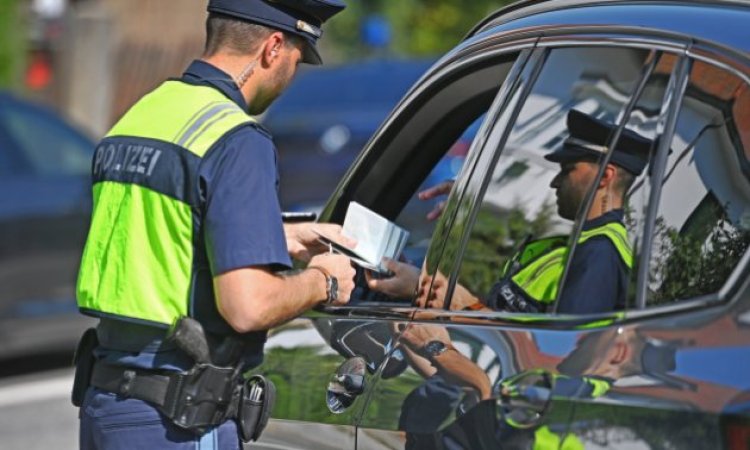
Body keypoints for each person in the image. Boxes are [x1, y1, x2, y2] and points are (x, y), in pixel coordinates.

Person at [73, 1, 355, 449]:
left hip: (108, 405)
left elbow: (152, 234)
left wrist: (274, 238)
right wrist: (325, 282)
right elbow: (248, 306)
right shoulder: (236, 139)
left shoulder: (142, 116)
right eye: (297, 61)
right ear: (273, 47)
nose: (289, 78)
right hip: (176, 417)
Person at [368, 109, 652, 314]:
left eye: (567, 171)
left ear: (605, 177)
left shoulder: (599, 254)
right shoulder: (574, 245)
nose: (555, 181)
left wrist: (464, 304)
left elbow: (560, 355)